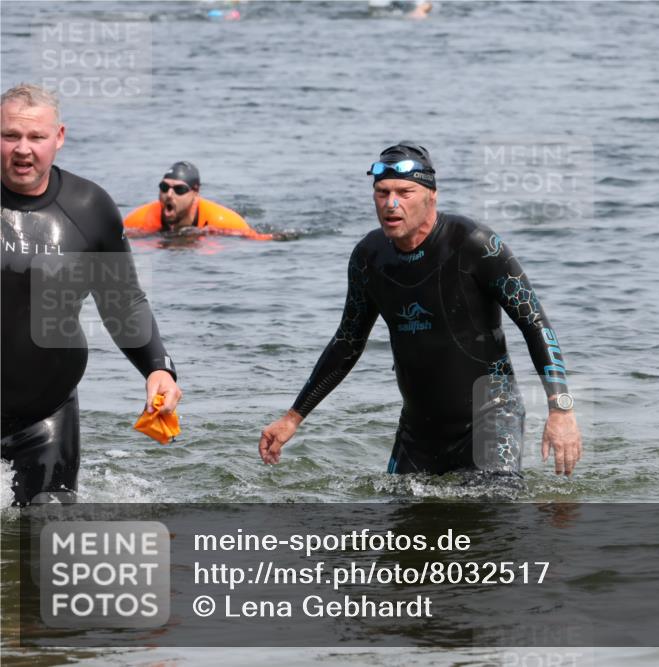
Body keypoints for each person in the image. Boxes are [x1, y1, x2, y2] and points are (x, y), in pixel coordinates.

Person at [259, 142, 582, 476]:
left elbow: (534, 322)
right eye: (382, 192)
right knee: (400, 520)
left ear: (432, 195)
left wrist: (560, 409)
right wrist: (293, 417)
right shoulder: (369, 257)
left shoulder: (474, 244)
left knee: (492, 518)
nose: (391, 203)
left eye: (405, 192)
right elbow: (347, 342)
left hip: (491, 419)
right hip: (419, 429)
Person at [1, 84, 182, 506]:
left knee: (48, 541)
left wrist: (158, 369)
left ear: (59, 137)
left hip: (46, 413)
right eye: (10, 136)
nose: (23, 150)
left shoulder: (89, 207)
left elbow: (122, 301)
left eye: (36, 137)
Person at [123, 161, 273, 240]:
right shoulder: (138, 220)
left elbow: (261, 240)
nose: (169, 194)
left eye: (179, 190)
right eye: (164, 187)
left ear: (195, 192)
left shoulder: (224, 222)